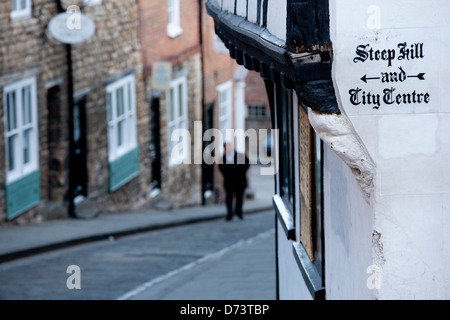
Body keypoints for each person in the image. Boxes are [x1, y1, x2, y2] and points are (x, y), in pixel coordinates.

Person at [219, 142, 250, 221]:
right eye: (226, 148)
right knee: (229, 197)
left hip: (240, 181)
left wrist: (241, 172)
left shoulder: (240, 156)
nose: (227, 149)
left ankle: (239, 212)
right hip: (229, 182)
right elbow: (221, 167)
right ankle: (229, 214)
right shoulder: (223, 158)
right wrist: (227, 174)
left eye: (228, 147)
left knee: (239, 197)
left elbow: (247, 164)